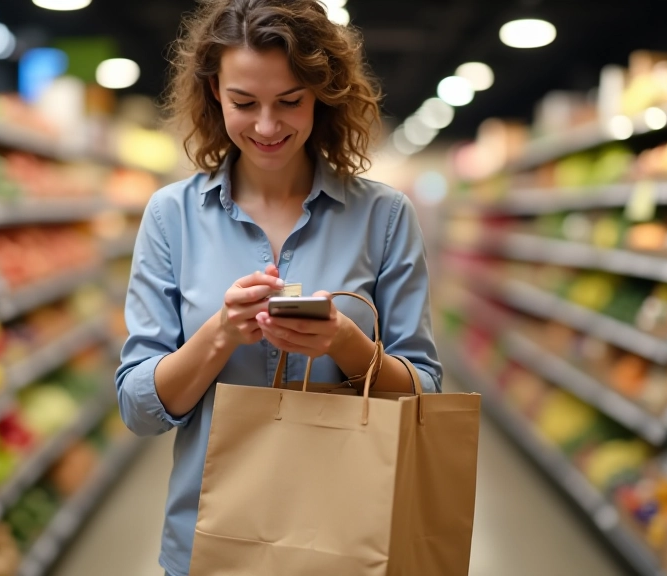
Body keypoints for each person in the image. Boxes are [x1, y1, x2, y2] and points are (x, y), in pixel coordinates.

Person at [116, 1, 442, 574]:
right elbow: (138, 409)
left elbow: (425, 394)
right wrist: (219, 335)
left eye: (290, 101)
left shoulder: (384, 217)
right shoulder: (171, 216)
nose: (267, 127)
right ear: (215, 92)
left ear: (321, 94)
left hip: (347, 541)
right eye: (244, 103)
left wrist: (346, 344)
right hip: (209, 543)